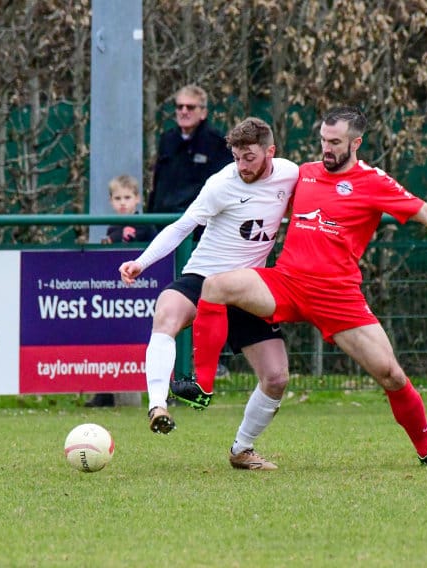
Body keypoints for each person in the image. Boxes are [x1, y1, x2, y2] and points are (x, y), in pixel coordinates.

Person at [183, 106, 427, 468]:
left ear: (356, 143)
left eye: (335, 142)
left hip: (337, 297)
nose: (326, 148)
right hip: (287, 283)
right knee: (216, 286)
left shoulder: (373, 182)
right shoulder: (304, 174)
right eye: (323, 140)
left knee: (391, 374)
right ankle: (204, 387)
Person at [119, 117, 299, 470]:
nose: (242, 165)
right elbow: (182, 227)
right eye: (236, 157)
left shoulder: (290, 174)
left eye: (249, 157)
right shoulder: (221, 184)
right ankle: (157, 406)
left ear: (270, 152)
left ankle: (242, 450)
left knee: (277, 377)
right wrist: (142, 262)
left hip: (248, 288)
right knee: (166, 313)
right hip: (204, 277)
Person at [148, 84, 234, 378]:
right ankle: (166, 367)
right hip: (166, 230)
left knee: (207, 299)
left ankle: (210, 361)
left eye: (190, 107)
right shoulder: (168, 140)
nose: (183, 112)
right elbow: (158, 184)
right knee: (167, 302)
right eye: (179, 107)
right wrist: (151, 219)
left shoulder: (217, 143)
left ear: (203, 112)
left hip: (199, 237)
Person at [86, 175, 158, 408]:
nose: (123, 203)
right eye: (118, 198)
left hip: (144, 295)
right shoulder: (112, 227)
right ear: (111, 201)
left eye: (127, 197)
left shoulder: (146, 226)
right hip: (118, 297)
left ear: (137, 199)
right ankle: (106, 392)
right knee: (112, 340)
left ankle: (164, 392)